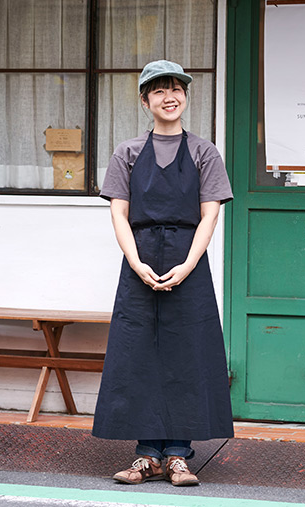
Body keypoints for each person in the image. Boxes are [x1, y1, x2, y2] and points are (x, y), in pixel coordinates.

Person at [92, 60, 234, 487]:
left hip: (188, 257)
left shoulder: (203, 152)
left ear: (185, 97)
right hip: (139, 257)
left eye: (176, 89)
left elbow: (210, 215)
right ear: (145, 100)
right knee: (139, 354)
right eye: (159, 91)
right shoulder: (128, 152)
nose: (169, 97)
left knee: (185, 352)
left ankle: (178, 456)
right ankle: (146, 454)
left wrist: (188, 264)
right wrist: (136, 262)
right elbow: (119, 211)